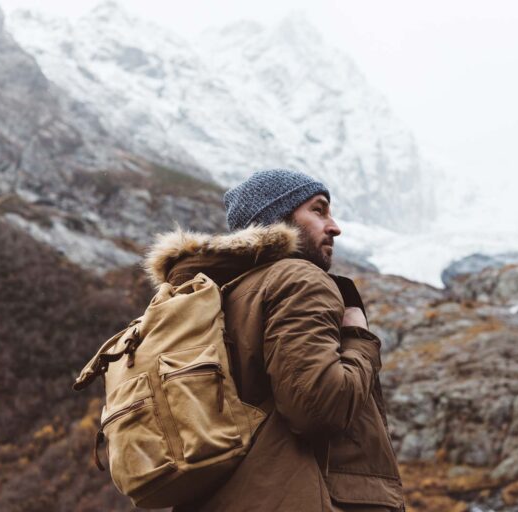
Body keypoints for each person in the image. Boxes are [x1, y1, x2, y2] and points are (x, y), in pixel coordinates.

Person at [144, 169, 404, 511]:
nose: (334, 226)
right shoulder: (297, 279)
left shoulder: (221, 295)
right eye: (319, 210)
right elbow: (319, 408)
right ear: (278, 219)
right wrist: (358, 336)